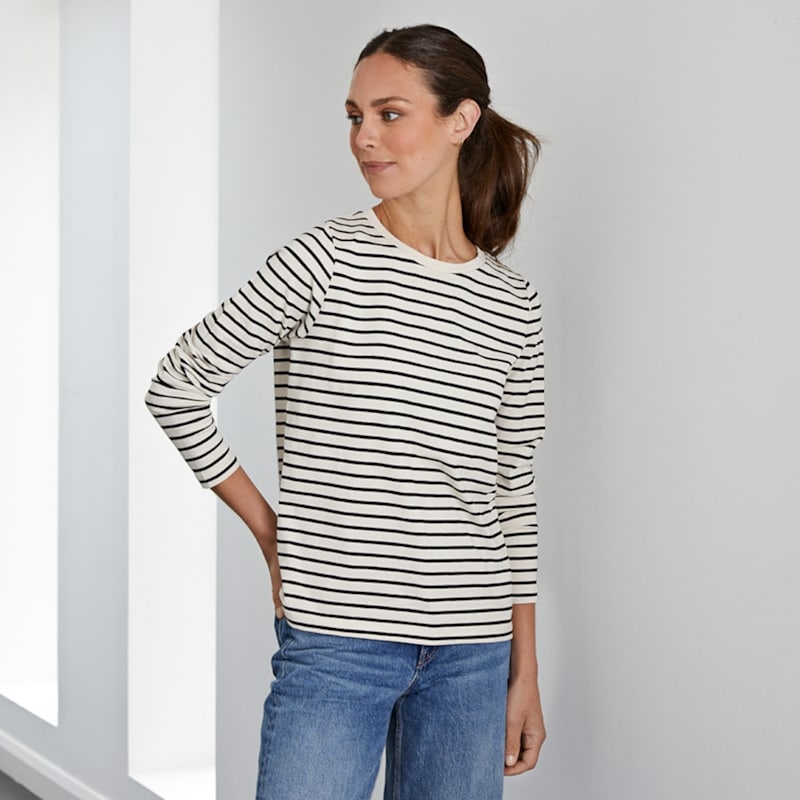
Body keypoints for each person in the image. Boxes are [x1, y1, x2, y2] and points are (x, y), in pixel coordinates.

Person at [145, 23, 545, 800]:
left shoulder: (512, 303)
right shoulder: (321, 261)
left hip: (473, 652)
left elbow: (512, 488)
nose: (364, 137)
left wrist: (523, 669)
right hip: (335, 643)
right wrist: (271, 533)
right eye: (355, 116)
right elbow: (177, 387)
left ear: (460, 121)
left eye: (390, 114)